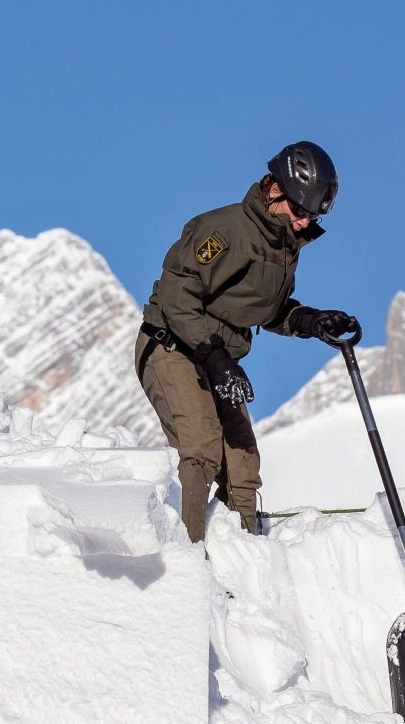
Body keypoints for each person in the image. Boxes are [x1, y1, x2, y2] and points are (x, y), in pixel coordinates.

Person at [135, 142, 358, 542]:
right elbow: (176, 294)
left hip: (215, 358)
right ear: (275, 190)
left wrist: (309, 320)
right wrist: (214, 355)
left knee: (242, 462)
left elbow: (266, 310)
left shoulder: (283, 247)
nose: (305, 223)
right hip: (173, 348)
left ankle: (242, 556)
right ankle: (189, 558)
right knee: (202, 445)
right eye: (300, 211)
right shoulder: (223, 230)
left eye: (312, 215)